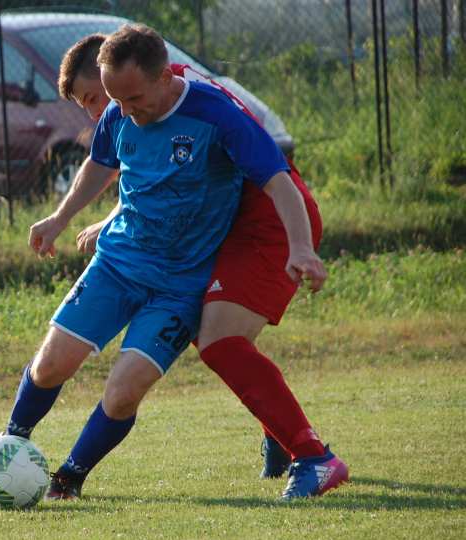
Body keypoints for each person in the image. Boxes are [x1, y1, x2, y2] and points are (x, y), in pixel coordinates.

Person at [0, 24, 348, 501]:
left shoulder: (213, 114)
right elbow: (103, 162)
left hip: (182, 281)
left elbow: (278, 181)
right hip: (119, 263)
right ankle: (8, 443)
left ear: (165, 76)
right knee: (50, 365)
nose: (124, 112)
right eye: (112, 100)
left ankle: (69, 479)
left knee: (127, 389)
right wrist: (60, 218)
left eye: (132, 98)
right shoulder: (121, 110)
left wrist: (301, 248)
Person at [61, 32, 344, 490]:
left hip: (268, 221)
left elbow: (277, 179)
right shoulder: (151, 98)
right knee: (202, 325)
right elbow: (154, 175)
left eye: (100, 98)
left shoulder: (202, 105)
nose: (104, 114)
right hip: (225, 221)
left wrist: (301, 247)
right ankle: (280, 428)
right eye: (96, 104)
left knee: (219, 340)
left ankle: (314, 457)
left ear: (150, 77)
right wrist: (113, 217)